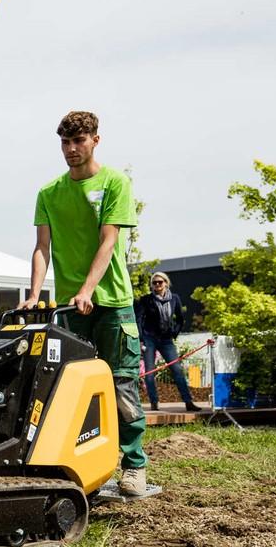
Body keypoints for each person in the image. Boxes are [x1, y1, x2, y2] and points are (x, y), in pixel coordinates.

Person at [17, 111, 149, 497]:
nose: (71, 149)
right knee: (69, 388)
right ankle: (84, 464)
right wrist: (34, 295)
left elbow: (109, 241)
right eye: (65, 142)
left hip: (112, 303)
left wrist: (88, 289)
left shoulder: (115, 183)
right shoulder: (49, 193)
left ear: (95, 140)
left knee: (121, 385)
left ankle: (134, 465)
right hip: (70, 309)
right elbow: (42, 248)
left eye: (79, 141)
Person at [136, 272, 199, 412]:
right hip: (149, 338)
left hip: (166, 339)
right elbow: (139, 320)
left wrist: (174, 333)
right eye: (154, 283)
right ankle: (154, 402)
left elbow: (180, 318)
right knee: (150, 372)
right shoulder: (146, 300)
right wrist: (141, 339)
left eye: (160, 282)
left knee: (177, 370)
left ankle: (188, 402)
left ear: (166, 283)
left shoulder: (174, 298)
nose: (157, 284)